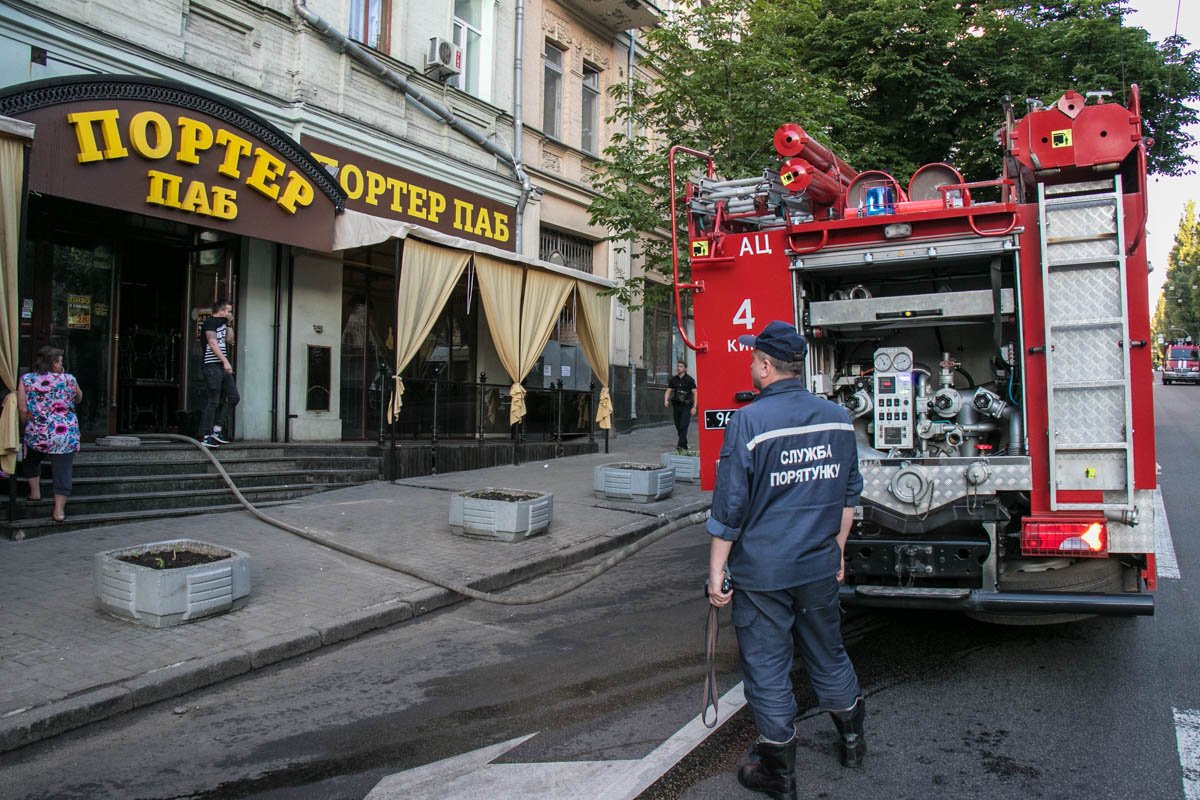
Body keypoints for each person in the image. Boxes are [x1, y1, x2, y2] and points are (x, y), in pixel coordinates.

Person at [706, 320, 865, 800]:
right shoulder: (837, 417)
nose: (751, 364)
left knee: (768, 667)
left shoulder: (749, 421)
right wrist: (836, 552)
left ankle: (778, 771)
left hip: (763, 574)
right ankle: (853, 740)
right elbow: (849, 496)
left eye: (754, 357)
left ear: (766, 366)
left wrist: (716, 571)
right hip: (817, 566)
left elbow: (729, 507)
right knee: (828, 653)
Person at [18, 345, 82, 523]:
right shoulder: (69, 379)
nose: (62, 364)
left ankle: (35, 493)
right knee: (63, 469)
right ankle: (59, 511)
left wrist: (26, 426)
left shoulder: (27, 379)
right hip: (65, 433)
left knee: (30, 459)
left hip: (38, 431)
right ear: (54, 364)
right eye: (60, 361)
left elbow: (22, 408)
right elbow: (79, 398)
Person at [198, 300, 239, 448]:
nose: (230, 314)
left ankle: (217, 429)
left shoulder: (223, 324)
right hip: (212, 365)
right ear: (221, 311)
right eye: (228, 311)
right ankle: (206, 435)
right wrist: (225, 361)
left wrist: (228, 324)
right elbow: (212, 343)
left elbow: (230, 340)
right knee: (213, 400)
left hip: (221, 365)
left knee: (234, 397)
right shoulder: (209, 322)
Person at [663, 359, 697, 451]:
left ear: (685, 369)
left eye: (681, 366)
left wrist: (694, 407)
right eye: (678, 366)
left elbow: (695, 393)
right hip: (676, 405)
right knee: (678, 425)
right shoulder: (674, 380)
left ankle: (680, 445)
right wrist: (666, 400)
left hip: (686, 405)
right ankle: (684, 445)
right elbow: (668, 390)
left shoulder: (690, 380)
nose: (678, 368)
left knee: (683, 425)